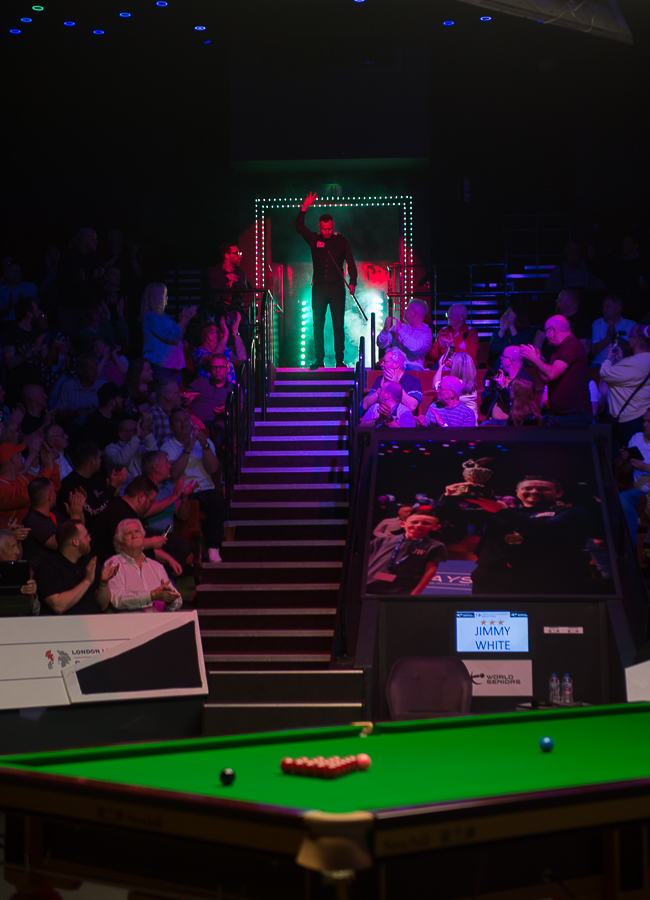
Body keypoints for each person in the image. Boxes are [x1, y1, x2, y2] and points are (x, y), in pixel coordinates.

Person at [471, 475, 592, 594]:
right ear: (518, 493)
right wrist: (459, 494)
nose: (534, 492)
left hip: (544, 578)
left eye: (543, 489)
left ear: (559, 493)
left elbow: (547, 531)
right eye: (527, 488)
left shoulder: (573, 512)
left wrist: (503, 512)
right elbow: (462, 518)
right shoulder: (506, 512)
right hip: (492, 575)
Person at [296, 192, 358, 370]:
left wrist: (353, 282)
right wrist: (304, 207)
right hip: (319, 289)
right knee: (318, 325)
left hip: (337, 288)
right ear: (319, 227)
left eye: (329, 229)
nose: (327, 232)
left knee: (338, 325)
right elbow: (299, 226)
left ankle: (340, 361)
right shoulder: (314, 239)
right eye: (324, 229)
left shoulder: (341, 241)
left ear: (333, 226)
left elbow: (351, 262)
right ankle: (319, 360)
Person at [161, 407, 223, 562]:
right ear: (171, 427)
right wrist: (188, 449)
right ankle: (188, 551)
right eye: (178, 421)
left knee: (217, 499)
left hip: (205, 489)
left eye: (185, 420)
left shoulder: (205, 442)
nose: (183, 424)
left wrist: (205, 446)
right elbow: (174, 473)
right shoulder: (167, 447)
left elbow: (214, 468)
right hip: (182, 491)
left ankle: (213, 548)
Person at [34, 520, 118, 615]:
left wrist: (103, 583)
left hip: (92, 621)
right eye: (86, 536)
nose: (89, 539)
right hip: (64, 623)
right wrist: (87, 581)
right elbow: (58, 606)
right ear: (75, 542)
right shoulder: (47, 568)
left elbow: (103, 605)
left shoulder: (90, 562)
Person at [521, 316, 592, 427]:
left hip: (573, 415)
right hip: (557, 414)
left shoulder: (571, 345)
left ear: (553, 331)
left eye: (546, 331)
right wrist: (535, 363)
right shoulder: (559, 349)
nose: (545, 336)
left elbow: (552, 374)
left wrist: (534, 359)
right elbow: (547, 379)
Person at [104, 519, 182, 612]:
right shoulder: (113, 564)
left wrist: (170, 599)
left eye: (137, 531)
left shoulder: (157, 566)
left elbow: (178, 600)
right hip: (131, 620)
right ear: (120, 543)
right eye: (129, 533)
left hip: (159, 619)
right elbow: (117, 600)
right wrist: (152, 596)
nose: (134, 535)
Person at [366, 512, 447, 595]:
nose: (419, 525)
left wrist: (416, 592)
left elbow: (430, 570)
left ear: (435, 527)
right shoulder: (382, 540)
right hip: (368, 586)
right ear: (402, 524)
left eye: (426, 523)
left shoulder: (435, 546)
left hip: (400, 592)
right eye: (414, 522)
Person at [599, 325, 650, 447]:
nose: (628, 340)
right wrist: (621, 362)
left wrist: (609, 357)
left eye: (630, 337)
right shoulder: (642, 360)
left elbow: (604, 374)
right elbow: (632, 378)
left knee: (629, 455)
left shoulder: (633, 362)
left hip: (630, 419)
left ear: (637, 340)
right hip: (642, 415)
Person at [140, 282, 197, 384]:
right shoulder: (151, 317)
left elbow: (178, 336)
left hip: (173, 364)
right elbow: (171, 336)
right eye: (165, 295)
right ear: (158, 297)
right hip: (161, 365)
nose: (167, 298)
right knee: (163, 392)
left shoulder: (164, 317)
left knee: (174, 392)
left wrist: (185, 322)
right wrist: (183, 320)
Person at [22, 477, 86, 567]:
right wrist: (74, 517)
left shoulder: (54, 514)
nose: (56, 494)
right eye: (54, 492)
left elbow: (80, 532)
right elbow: (64, 546)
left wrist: (78, 510)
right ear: (50, 497)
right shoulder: (32, 521)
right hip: (44, 572)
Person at [58, 441, 126, 522]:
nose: (100, 461)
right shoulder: (70, 484)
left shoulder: (98, 478)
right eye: (99, 458)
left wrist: (115, 492)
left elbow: (107, 506)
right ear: (92, 461)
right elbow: (93, 511)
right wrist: (112, 487)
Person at [0, 441, 59, 528]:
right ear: (13, 458)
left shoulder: (24, 478)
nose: (22, 456)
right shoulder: (1, 487)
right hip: (17, 534)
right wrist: (48, 469)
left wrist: (50, 461)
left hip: (39, 525)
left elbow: (55, 487)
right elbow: (28, 494)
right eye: (19, 453)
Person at [616, 409, 650, 543]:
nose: (645, 424)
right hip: (640, 492)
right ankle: (635, 544)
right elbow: (623, 473)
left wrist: (646, 468)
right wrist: (626, 461)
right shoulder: (637, 438)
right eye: (644, 421)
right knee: (623, 498)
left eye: (649, 421)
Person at [187, 354, 234, 448]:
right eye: (214, 367)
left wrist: (226, 410)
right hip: (192, 423)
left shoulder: (233, 389)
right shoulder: (199, 383)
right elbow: (183, 403)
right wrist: (191, 417)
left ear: (228, 369)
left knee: (217, 432)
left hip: (216, 426)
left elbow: (240, 411)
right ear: (210, 369)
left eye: (221, 367)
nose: (218, 370)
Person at [480, 346, 535, 423]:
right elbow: (485, 399)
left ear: (509, 361)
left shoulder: (525, 382)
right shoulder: (501, 376)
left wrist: (502, 388)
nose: (500, 358)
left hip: (509, 424)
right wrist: (489, 386)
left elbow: (516, 410)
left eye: (503, 356)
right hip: (492, 420)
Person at [362, 348, 422, 414]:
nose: (381, 364)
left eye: (385, 362)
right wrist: (382, 388)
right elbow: (365, 405)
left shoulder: (413, 381)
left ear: (396, 365)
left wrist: (396, 385)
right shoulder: (380, 379)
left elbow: (412, 406)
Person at [534, 289, 591, 357]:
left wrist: (565, 362)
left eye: (560, 298)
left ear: (570, 302)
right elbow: (539, 336)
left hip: (566, 361)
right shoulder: (552, 318)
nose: (556, 300)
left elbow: (584, 348)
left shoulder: (582, 322)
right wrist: (538, 355)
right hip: (546, 361)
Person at [378, 299, 432, 371]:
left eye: (408, 309)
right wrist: (385, 330)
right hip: (394, 368)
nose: (404, 311)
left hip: (414, 370)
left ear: (414, 314)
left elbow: (414, 348)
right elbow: (381, 344)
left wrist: (400, 331)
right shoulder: (400, 327)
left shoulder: (426, 334)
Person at [104, 414, 158, 484]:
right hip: (122, 489)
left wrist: (147, 432)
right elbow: (120, 461)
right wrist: (136, 436)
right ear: (122, 435)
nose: (139, 432)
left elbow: (156, 459)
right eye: (135, 430)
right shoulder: (111, 448)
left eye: (139, 428)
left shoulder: (141, 447)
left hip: (142, 487)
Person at [56, 354, 108, 426]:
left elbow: (115, 408)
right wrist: (73, 413)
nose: (96, 371)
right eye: (91, 368)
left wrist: (99, 413)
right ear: (80, 370)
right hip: (74, 428)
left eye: (96, 367)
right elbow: (58, 412)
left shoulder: (104, 384)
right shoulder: (68, 386)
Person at [427, 304, 478, 372]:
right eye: (448, 314)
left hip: (464, 368)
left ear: (461, 318)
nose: (448, 317)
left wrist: (452, 347)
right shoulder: (444, 331)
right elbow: (432, 357)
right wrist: (441, 347)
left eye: (451, 315)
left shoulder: (471, 332)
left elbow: (470, 358)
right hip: (443, 367)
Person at [591, 295, 636, 367]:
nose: (603, 310)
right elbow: (594, 351)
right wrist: (607, 339)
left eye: (607, 307)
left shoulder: (631, 325)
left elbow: (632, 350)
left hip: (622, 366)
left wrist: (615, 336)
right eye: (603, 307)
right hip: (598, 365)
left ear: (618, 308)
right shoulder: (598, 323)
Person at [0, 529, 38, 612]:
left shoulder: (20, 572)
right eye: (12, 547)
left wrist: (31, 594)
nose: (17, 552)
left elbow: (35, 612)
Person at [80, 382, 125, 449]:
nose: (122, 399)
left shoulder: (120, 417)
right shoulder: (92, 422)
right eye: (120, 397)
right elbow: (89, 449)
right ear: (112, 402)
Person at [148, 378, 182, 447]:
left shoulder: (181, 411)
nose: (180, 395)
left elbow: (194, 433)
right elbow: (147, 446)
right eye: (177, 393)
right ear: (167, 396)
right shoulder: (153, 415)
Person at [450, 352, 478, 416]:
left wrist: (440, 366)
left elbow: (435, 385)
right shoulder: (472, 383)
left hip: (462, 420)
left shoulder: (454, 384)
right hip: (472, 419)